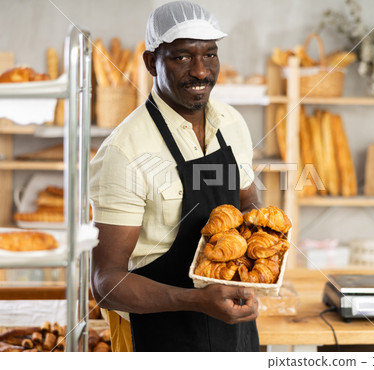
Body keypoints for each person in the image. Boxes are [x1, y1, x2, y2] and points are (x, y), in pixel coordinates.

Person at [89, 1, 261, 352]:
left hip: (235, 327)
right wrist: (198, 300)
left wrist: (259, 250)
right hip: (157, 334)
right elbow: (105, 283)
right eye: (182, 57)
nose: (200, 71)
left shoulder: (231, 124)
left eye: (210, 55)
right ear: (151, 61)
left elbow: (249, 201)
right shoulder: (127, 150)